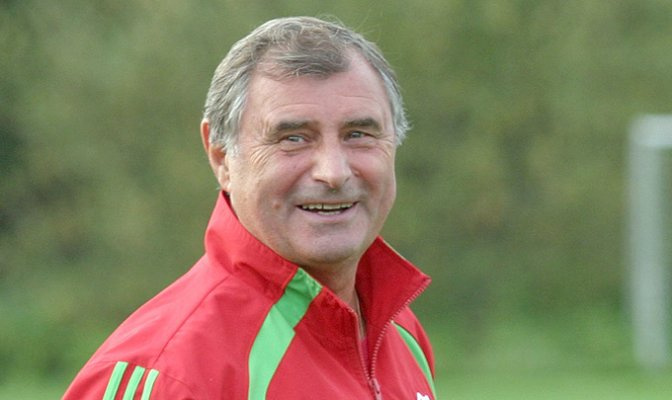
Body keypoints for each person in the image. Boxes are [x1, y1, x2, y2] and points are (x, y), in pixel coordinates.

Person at [63, 16, 435, 399]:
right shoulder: (171, 375)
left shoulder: (398, 330)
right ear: (221, 156)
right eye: (293, 138)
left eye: (358, 134)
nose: (333, 173)